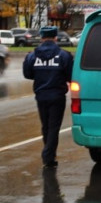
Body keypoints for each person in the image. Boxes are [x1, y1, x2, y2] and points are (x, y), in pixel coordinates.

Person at [23, 26, 74, 168]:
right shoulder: (63, 55)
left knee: (45, 127)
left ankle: (49, 156)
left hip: (41, 96)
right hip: (57, 96)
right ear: (55, 38)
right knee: (53, 127)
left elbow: (27, 74)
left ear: (41, 37)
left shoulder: (32, 55)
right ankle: (48, 156)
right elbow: (70, 76)